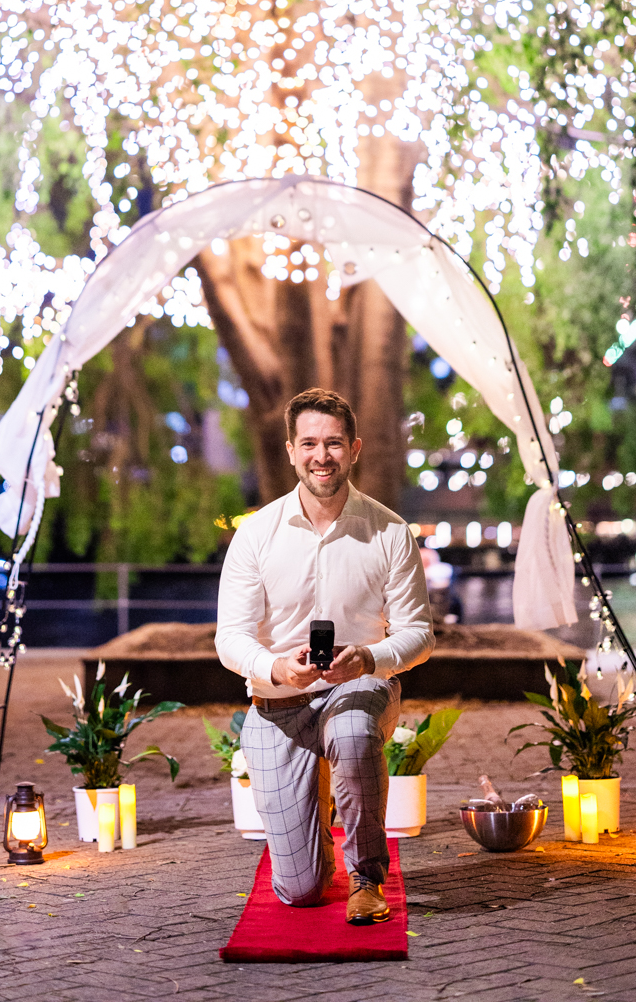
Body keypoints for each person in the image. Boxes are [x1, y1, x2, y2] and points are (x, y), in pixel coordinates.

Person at [215, 387, 434, 925]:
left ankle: (366, 877)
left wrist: (366, 657)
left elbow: (419, 635)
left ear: (354, 449)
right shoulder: (255, 535)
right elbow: (230, 638)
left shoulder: (390, 532)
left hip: (355, 687)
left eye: (333, 443)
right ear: (290, 450)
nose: (321, 456)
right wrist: (275, 667)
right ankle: (314, 813)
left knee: (355, 731)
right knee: (302, 889)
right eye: (309, 443)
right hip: (279, 704)